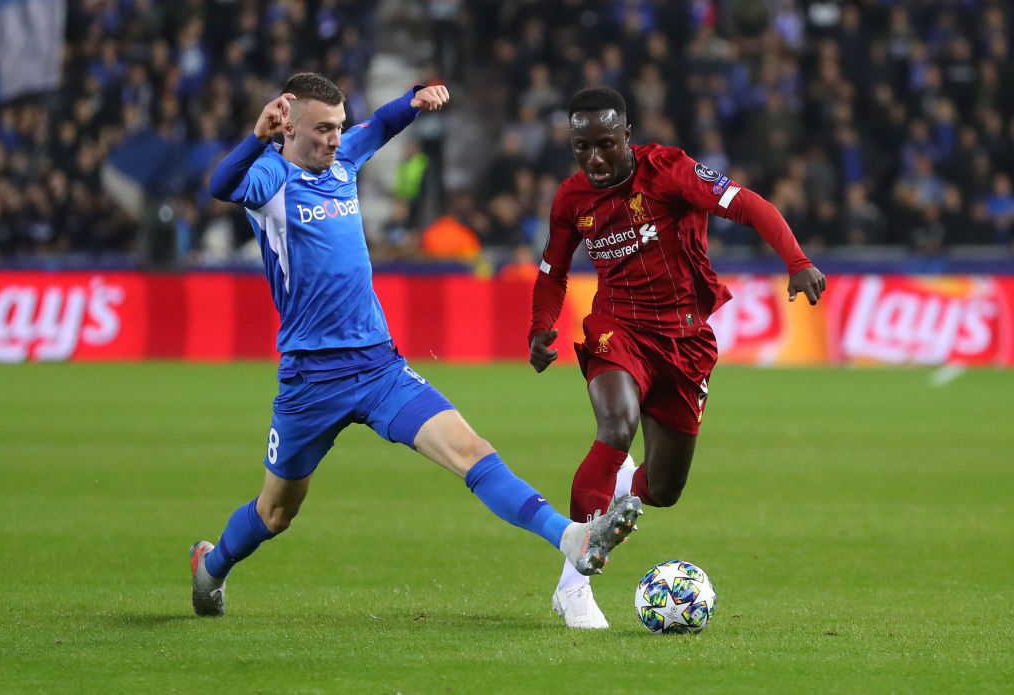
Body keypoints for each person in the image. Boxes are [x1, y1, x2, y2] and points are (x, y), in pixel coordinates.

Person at [189, 73, 643, 618]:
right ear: (288, 125)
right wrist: (255, 138)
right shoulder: (269, 176)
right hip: (310, 382)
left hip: (378, 367)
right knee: (276, 513)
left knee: (472, 452)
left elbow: (377, 126)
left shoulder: (343, 160)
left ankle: (570, 538)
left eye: (338, 127)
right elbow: (221, 185)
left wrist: (413, 101)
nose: (336, 139)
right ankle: (211, 568)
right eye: (323, 130)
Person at [529, 87, 826, 629]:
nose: (593, 159)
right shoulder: (571, 199)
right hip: (617, 329)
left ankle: (618, 490)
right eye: (581, 147)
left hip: (686, 341)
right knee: (615, 428)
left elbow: (750, 205)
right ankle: (575, 586)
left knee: (663, 489)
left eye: (604, 145)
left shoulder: (670, 171)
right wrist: (541, 327)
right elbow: (553, 271)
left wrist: (797, 261)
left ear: (627, 137)